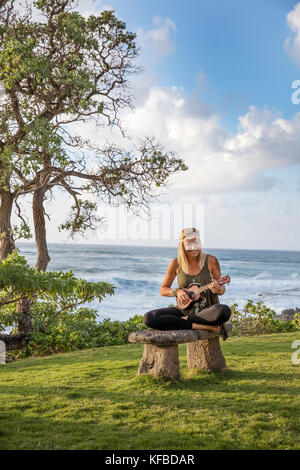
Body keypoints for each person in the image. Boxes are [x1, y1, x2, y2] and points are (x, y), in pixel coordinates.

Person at [143, 227, 231, 339]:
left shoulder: (210, 260)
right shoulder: (175, 263)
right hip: (183, 311)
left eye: (196, 243)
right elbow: (163, 290)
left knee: (224, 311)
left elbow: (222, 290)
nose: (194, 248)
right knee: (149, 318)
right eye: (189, 244)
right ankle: (201, 325)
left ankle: (184, 322)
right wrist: (177, 292)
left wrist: (218, 289)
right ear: (182, 245)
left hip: (206, 312)